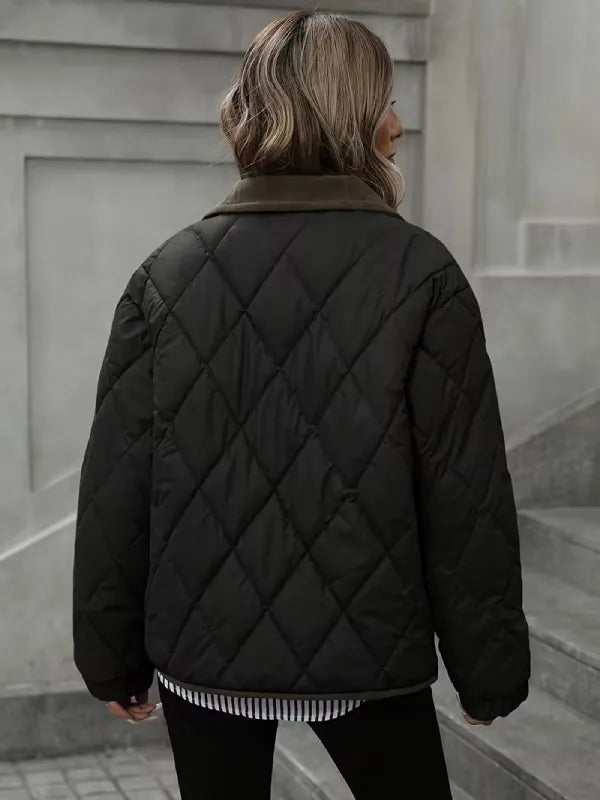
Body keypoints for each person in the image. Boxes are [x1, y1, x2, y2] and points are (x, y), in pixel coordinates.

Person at [72, 10, 531, 799]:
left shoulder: (166, 276)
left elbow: (119, 486)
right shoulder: (422, 274)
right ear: (348, 116)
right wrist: (487, 669)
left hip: (204, 653)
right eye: (386, 103)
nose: (398, 126)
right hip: (366, 654)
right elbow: (464, 493)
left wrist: (109, 654)